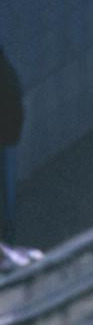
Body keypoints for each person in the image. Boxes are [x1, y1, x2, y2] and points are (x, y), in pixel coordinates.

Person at [0, 42, 23, 249]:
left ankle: (7, 235)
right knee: (8, 190)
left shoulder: (5, 77)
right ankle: (9, 234)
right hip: (9, 139)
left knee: (6, 190)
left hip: (5, 139)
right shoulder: (8, 73)